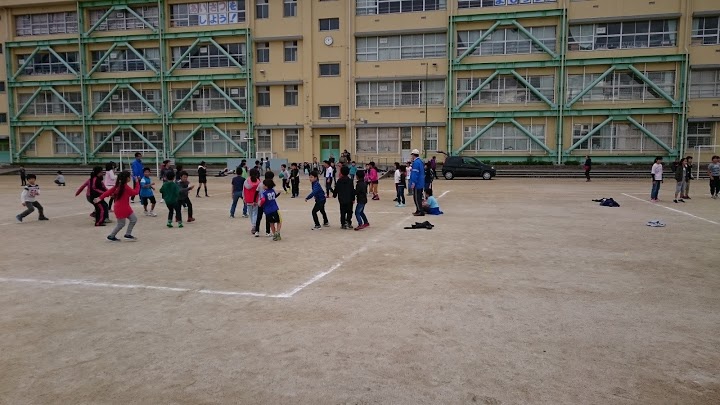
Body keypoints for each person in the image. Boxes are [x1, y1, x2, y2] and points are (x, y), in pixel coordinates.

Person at [95, 171, 140, 241]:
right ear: (127, 178)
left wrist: (100, 198)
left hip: (123, 207)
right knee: (122, 223)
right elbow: (135, 192)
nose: (130, 178)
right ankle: (111, 236)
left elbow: (108, 192)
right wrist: (137, 183)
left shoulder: (118, 186)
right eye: (129, 177)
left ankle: (127, 234)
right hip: (122, 208)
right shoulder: (125, 187)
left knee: (133, 220)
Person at [333, 165, 355, 229]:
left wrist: (334, 195)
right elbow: (352, 190)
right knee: (349, 211)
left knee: (342, 212)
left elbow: (336, 188)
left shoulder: (339, 181)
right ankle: (348, 222)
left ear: (341, 172)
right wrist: (353, 198)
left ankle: (343, 224)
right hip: (349, 199)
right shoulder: (350, 181)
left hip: (342, 199)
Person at [254, 171, 274, 237]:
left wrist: (254, 201)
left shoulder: (260, 184)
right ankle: (267, 232)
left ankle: (257, 231)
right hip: (267, 204)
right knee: (267, 218)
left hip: (260, 203)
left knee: (259, 217)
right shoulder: (270, 185)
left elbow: (256, 192)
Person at [243, 168, 262, 234]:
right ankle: (254, 225)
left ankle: (253, 225)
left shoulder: (246, 181)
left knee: (251, 214)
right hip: (256, 200)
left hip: (248, 199)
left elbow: (244, 190)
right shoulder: (258, 182)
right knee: (255, 213)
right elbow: (260, 192)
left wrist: (244, 198)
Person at [409, 149, 426, 216]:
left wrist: (413, 182)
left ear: (413, 155)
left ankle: (420, 211)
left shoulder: (416, 163)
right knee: (418, 197)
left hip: (417, 183)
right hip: (420, 182)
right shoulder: (420, 162)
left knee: (416, 198)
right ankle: (418, 210)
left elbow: (415, 174)